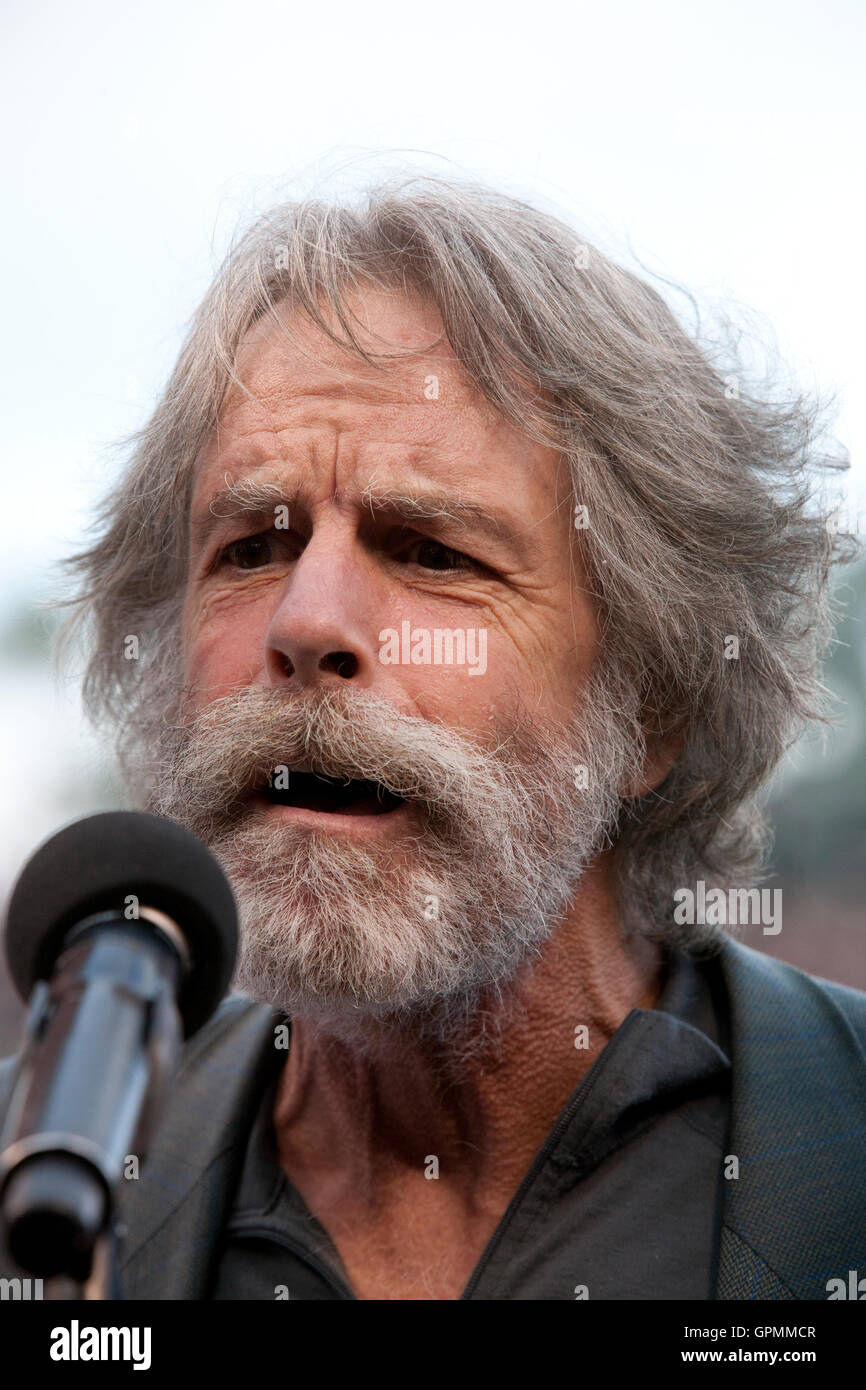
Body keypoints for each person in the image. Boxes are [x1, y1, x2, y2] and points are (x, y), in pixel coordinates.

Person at [2, 173, 864, 1300]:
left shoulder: (833, 1146)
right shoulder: (53, 1191)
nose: (306, 623)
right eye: (251, 550)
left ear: (650, 705)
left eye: (429, 552)